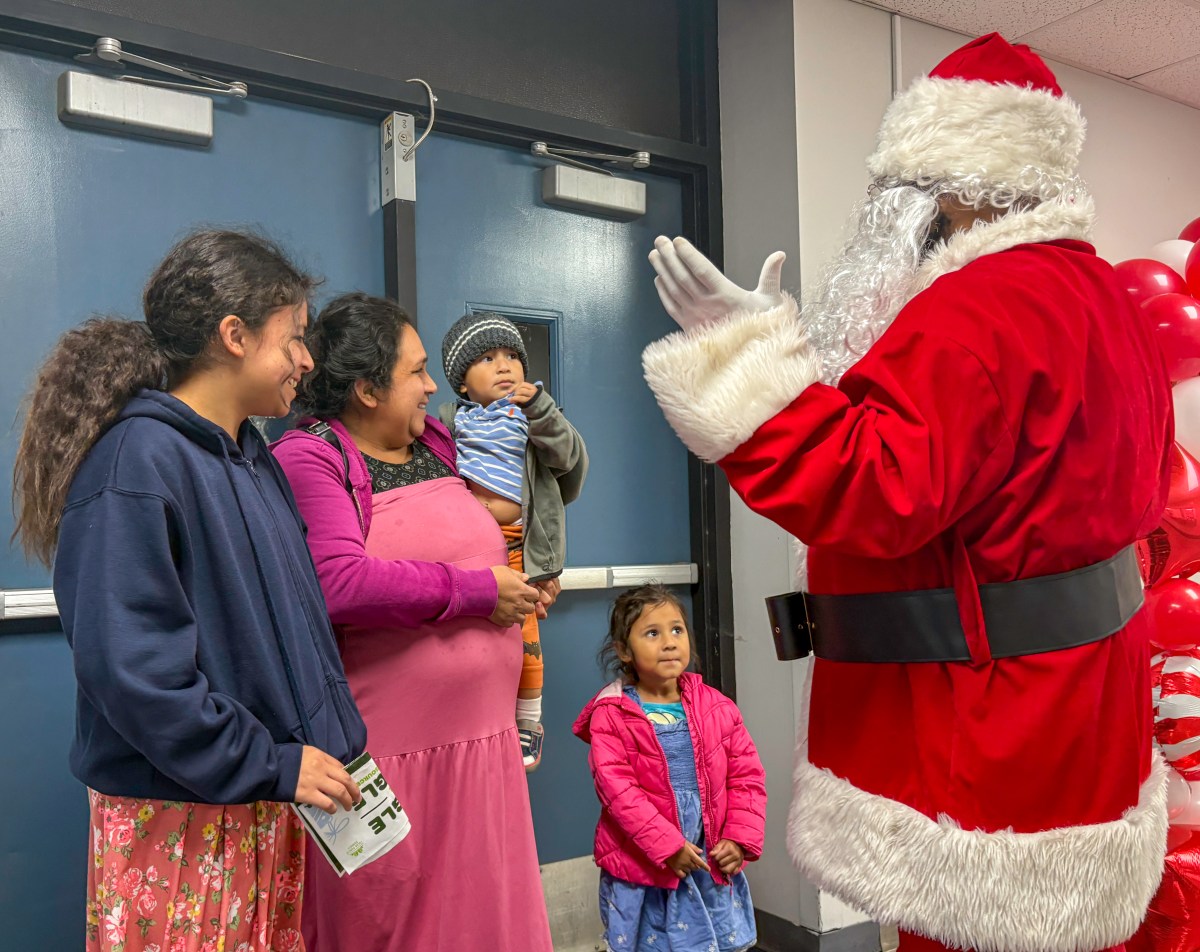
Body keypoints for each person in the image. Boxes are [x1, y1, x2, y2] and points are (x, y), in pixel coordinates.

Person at [640, 33, 1174, 952]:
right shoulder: (1101, 302)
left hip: (982, 737)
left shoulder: (979, 307)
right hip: (1082, 714)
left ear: (957, 178)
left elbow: (873, 487)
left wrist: (747, 361)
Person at [12, 229, 366, 952]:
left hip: (262, 801)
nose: (307, 359)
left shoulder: (251, 456)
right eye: (293, 336)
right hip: (181, 815)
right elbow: (135, 674)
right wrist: (271, 762)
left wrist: (321, 746)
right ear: (233, 335)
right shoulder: (135, 463)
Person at [270, 292, 554, 951]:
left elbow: (499, 524)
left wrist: (519, 582)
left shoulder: (433, 441)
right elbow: (340, 582)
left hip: (482, 749)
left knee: (486, 921)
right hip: (396, 758)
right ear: (368, 389)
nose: (433, 386)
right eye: (417, 371)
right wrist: (480, 593)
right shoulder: (310, 456)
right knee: (396, 924)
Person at [573, 584, 766, 952]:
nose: (669, 642)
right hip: (649, 866)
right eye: (652, 633)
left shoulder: (717, 707)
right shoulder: (612, 715)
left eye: (676, 630)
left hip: (707, 859)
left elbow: (747, 777)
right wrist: (666, 846)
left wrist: (740, 839)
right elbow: (618, 792)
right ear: (624, 651)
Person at [439, 311, 589, 770]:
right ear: (462, 383)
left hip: (519, 542)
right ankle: (470, 718)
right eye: (487, 358)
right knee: (470, 637)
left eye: (511, 356)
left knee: (524, 635)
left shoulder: (534, 414)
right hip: (467, 547)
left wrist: (540, 410)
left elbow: (567, 457)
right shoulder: (450, 420)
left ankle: (529, 721)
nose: (504, 365)